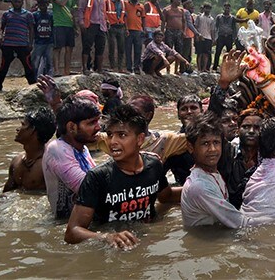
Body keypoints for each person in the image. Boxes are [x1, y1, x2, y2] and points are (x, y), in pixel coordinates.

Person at [64, 105, 181, 248]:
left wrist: (199, 189)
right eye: (110, 135)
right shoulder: (98, 177)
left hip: (147, 242)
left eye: (122, 135)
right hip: (111, 248)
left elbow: (166, 197)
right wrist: (106, 237)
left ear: (140, 139)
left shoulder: (154, 165)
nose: (112, 142)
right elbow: (72, 232)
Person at [181, 113, 270, 228]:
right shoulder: (200, 187)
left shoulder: (212, 174)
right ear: (190, 147)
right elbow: (241, 223)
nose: (212, 149)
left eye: (216, 142)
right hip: (209, 243)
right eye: (205, 143)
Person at [43, 96, 101, 218]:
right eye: (91, 123)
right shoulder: (57, 149)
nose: (98, 127)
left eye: (98, 121)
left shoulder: (81, 147)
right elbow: (87, 188)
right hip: (65, 223)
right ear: (71, 127)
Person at [3, 107, 56, 192]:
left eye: (23, 125)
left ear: (32, 130)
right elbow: (6, 193)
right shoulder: (16, 161)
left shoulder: (48, 165)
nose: (17, 129)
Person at [0, 0, 36, 91]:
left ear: (22, 3)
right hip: (8, 44)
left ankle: (33, 86)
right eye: (15, 1)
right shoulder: (6, 14)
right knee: (4, 66)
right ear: (12, 2)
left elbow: (31, 30)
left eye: (19, 2)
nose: (17, 3)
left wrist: (30, 43)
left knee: (28, 66)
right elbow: (2, 28)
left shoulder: (28, 15)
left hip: (22, 45)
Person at [226, 108, 265, 208]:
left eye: (257, 127)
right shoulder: (228, 154)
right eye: (246, 127)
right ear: (238, 130)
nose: (251, 131)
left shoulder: (268, 159)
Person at [163, 95, 204, 185]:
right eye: (184, 109)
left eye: (193, 108)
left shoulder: (211, 138)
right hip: (184, 189)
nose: (189, 112)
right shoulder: (173, 143)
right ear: (178, 115)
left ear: (202, 111)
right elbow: (159, 174)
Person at [77, 0, 109, 74]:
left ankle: (99, 69)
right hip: (90, 24)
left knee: (100, 47)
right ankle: (85, 68)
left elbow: (103, 12)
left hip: (101, 26)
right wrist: (81, 22)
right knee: (87, 46)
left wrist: (106, 21)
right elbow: (81, 10)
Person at [50, 0, 78, 76]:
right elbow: (61, 4)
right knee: (57, 48)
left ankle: (67, 70)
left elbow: (72, 10)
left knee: (69, 49)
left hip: (69, 24)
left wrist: (75, 27)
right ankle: (56, 70)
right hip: (58, 24)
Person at [124, 0, 146, 74]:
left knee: (138, 50)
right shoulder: (125, 4)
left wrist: (144, 29)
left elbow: (143, 18)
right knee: (128, 50)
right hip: (128, 30)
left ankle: (137, 67)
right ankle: (128, 67)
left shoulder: (141, 6)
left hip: (138, 30)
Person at [162, 0, 186, 73]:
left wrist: (184, 31)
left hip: (179, 32)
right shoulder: (167, 10)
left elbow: (184, 21)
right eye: (178, 0)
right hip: (169, 31)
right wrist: (162, 33)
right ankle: (168, 69)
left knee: (178, 51)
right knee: (169, 51)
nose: (179, 2)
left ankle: (176, 70)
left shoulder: (181, 10)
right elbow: (163, 22)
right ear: (173, 0)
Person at [105, 0, 127, 72]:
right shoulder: (107, 1)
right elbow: (104, 13)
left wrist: (126, 28)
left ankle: (120, 67)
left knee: (121, 48)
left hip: (120, 27)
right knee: (112, 47)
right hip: (112, 27)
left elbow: (124, 15)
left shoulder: (122, 2)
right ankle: (112, 67)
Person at [31, 0, 54, 77]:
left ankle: (49, 78)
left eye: (44, 4)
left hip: (49, 42)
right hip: (38, 42)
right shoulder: (35, 15)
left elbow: (53, 27)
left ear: (47, 4)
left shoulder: (51, 15)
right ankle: (34, 79)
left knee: (49, 62)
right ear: (38, 5)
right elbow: (32, 29)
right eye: (40, 4)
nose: (42, 6)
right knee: (35, 62)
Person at [213, 2, 237, 70]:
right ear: (223, 8)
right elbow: (216, 27)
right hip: (221, 36)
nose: (227, 9)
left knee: (229, 53)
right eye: (226, 8)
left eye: (228, 8)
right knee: (218, 52)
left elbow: (234, 28)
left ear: (230, 9)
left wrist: (234, 38)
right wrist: (215, 37)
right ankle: (215, 66)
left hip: (229, 37)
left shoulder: (232, 18)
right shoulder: (219, 17)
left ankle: (228, 67)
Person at [194, 2, 215, 72]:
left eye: (209, 9)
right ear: (204, 8)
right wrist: (196, 36)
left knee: (206, 54)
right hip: (200, 37)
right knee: (199, 54)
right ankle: (199, 68)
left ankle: (204, 68)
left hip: (208, 38)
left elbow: (212, 30)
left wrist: (213, 39)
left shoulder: (211, 19)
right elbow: (196, 27)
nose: (207, 10)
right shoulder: (199, 17)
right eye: (206, 8)